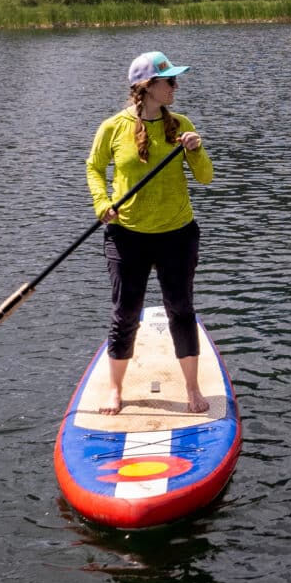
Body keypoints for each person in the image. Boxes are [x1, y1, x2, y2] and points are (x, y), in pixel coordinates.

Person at [85, 50, 214, 414]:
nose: (175, 86)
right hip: (127, 235)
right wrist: (101, 203)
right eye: (169, 80)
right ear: (146, 86)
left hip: (177, 234)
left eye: (174, 80)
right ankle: (115, 390)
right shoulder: (112, 127)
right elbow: (94, 168)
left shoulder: (181, 125)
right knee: (125, 312)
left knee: (181, 309)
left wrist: (197, 149)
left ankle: (191, 389)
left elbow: (205, 178)